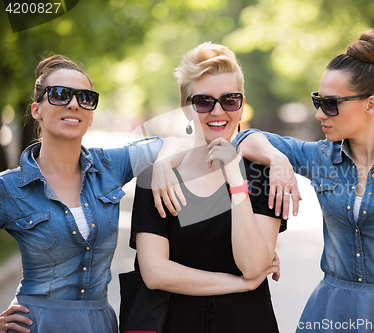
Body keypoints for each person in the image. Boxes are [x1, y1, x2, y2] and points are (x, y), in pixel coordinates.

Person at [233, 30, 374, 333]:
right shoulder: (321, 156)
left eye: (331, 103)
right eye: (318, 101)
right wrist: (278, 160)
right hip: (327, 311)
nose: (320, 113)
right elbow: (245, 137)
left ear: (370, 104)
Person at [0, 54, 176, 333]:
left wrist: (165, 158)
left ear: (91, 115)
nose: (73, 103)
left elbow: (176, 143)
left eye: (85, 98)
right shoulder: (8, 187)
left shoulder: (110, 167)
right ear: (36, 110)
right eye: (59, 95)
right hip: (36, 325)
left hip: (98, 323)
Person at [129, 42, 286, 333]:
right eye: (203, 101)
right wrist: (240, 284)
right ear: (186, 109)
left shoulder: (264, 177)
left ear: (241, 105)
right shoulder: (157, 179)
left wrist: (235, 178)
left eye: (230, 100)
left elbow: (253, 265)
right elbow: (155, 273)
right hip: (178, 324)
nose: (218, 111)